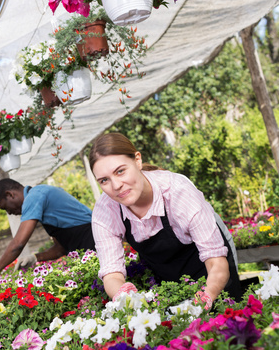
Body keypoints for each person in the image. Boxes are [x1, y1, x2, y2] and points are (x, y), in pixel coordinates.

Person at [89, 132, 242, 308]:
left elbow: (216, 263)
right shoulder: (105, 211)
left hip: (212, 265)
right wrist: (128, 298)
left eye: (120, 171)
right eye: (104, 180)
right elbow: (112, 274)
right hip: (166, 273)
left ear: (137, 160)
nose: (116, 186)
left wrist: (204, 301)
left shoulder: (178, 192)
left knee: (227, 315)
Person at [0, 178, 95, 277]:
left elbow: (18, 244)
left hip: (92, 239)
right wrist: (35, 258)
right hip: (86, 245)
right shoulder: (39, 196)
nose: (9, 213)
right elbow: (60, 249)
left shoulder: (34, 197)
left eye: (5, 207)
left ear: (10, 195)